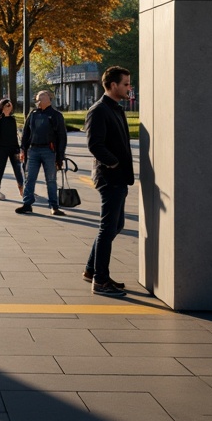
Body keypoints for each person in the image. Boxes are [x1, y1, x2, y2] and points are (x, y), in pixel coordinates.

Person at [85, 66, 135, 297]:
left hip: (118, 176)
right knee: (108, 228)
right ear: (113, 85)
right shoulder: (99, 110)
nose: (128, 87)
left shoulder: (115, 108)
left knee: (115, 226)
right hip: (109, 176)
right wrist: (114, 163)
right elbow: (95, 145)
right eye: (125, 83)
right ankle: (101, 280)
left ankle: (90, 270)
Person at [17, 90, 68, 216]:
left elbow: (62, 136)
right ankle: (27, 204)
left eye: (40, 99)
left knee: (51, 179)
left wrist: (60, 156)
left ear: (48, 99)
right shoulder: (33, 114)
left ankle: (54, 206)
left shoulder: (56, 115)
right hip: (33, 150)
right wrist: (23, 148)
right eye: (37, 99)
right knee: (29, 178)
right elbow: (26, 132)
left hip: (49, 151)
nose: (37, 102)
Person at [0, 99, 24, 200]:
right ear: (2, 107)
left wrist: (19, 148)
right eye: (7, 105)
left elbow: (15, 135)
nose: (9, 106)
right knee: (0, 168)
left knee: (17, 168)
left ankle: (21, 188)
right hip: (2, 148)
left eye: (10, 105)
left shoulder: (12, 119)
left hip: (14, 147)